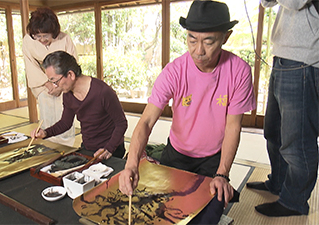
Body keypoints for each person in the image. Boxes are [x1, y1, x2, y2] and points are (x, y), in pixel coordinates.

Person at [118, 1, 256, 224]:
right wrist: (131, 164)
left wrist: (222, 174)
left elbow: (233, 126)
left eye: (208, 41)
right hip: (176, 154)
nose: (198, 50)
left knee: (208, 215)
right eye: (192, 39)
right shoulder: (174, 71)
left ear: (226, 37)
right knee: (168, 213)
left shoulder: (239, 71)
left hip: (213, 158)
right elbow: (146, 122)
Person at [246, 0, 319, 217]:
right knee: (274, 132)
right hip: (283, 59)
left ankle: (294, 201)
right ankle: (277, 182)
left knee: (298, 141)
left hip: (305, 60)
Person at [31, 51, 128, 160]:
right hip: (88, 147)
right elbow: (65, 123)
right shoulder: (68, 95)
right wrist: (45, 133)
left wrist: (109, 149)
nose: (54, 86)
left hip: (111, 149)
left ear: (70, 74)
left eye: (55, 81)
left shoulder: (102, 91)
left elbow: (121, 123)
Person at [23, 7, 77, 147]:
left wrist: (60, 86)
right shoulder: (28, 41)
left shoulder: (65, 39)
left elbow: (72, 63)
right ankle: (49, 148)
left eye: (45, 35)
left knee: (65, 118)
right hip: (43, 86)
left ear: (54, 31)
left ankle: (66, 147)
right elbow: (30, 64)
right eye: (38, 36)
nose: (41, 40)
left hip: (63, 85)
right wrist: (47, 84)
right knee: (47, 120)